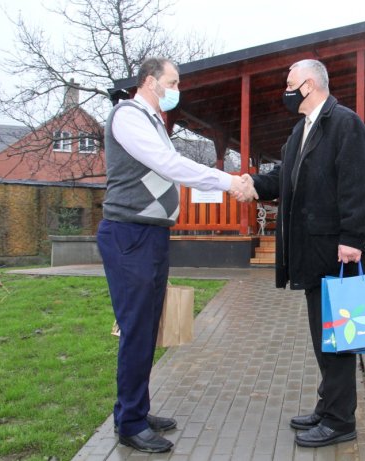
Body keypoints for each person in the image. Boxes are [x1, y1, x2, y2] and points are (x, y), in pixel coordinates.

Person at [96, 57, 256, 453]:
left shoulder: (152, 121)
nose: (176, 89)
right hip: (130, 235)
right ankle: (130, 423)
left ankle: (135, 408)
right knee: (136, 329)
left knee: (148, 327)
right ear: (150, 81)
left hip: (148, 236)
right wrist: (230, 181)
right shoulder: (128, 116)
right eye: (173, 81)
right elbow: (170, 165)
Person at [246, 59, 365, 447]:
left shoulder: (345, 124)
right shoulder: (301, 129)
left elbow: (358, 185)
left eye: (289, 84)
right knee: (324, 339)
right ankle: (327, 407)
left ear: (308, 85)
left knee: (338, 342)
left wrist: (352, 238)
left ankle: (340, 422)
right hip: (311, 253)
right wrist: (248, 183)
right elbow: (281, 177)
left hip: (338, 254)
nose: (285, 92)